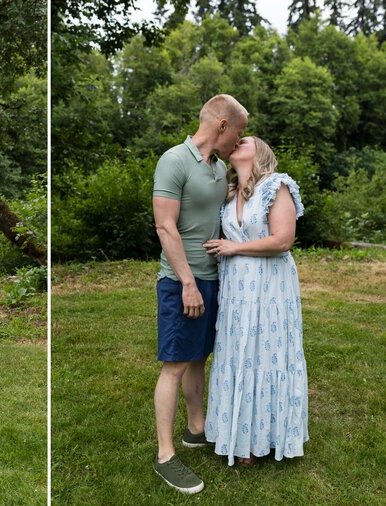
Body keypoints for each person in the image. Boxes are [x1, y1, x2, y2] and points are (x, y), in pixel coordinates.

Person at [151, 94, 248, 494]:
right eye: (239, 132)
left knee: (198, 358)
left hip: (213, 278)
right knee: (175, 363)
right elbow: (165, 227)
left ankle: (196, 428)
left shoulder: (219, 168)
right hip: (180, 281)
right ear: (222, 125)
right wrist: (187, 281)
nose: (240, 140)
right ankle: (165, 456)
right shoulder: (174, 160)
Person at [203, 137, 308, 467]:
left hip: (269, 287)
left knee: (264, 353)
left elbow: (283, 239)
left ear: (260, 152)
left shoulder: (277, 186)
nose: (236, 142)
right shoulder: (230, 192)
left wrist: (234, 248)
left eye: (244, 140)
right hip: (235, 288)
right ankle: (236, 434)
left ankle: (266, 437)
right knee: (238, 352)